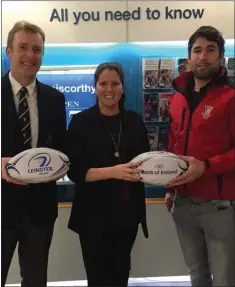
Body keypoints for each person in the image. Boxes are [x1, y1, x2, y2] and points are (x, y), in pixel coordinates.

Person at [66, 62, 149, 286]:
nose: (109, 89)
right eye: (104, 83)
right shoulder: (81, 122)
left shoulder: (134, 121)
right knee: (97, 277)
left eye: (115, 83)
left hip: (126, 214)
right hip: (92, 216)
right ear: (95, 86)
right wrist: (115, 172)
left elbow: (146, 162)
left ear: (123, 87)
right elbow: (75, 172)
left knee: (121, 275)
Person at [165, 26, 235, 286]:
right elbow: (174, 144)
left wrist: (206, 166)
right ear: (189, 57)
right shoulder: (178, 98)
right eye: (197, 50)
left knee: (226, 278)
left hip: (219, 205)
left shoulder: (230, 97)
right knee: (197, 274)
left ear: (220, 57)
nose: (203, 56)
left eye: (210, 50)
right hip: (183, 203)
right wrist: (171, 187)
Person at [1, 21, 66, 287]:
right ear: (8, 51)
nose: (30, 55)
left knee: (36, 281)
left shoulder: (55, 99)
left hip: (40, 210)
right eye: (23, 48)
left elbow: (61, 150)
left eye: (37, 49)